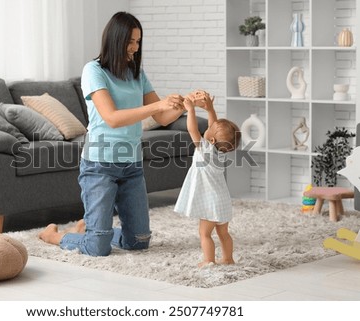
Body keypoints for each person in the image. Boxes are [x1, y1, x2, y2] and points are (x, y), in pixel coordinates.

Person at [38, 12, 185, 256]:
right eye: (131, 41)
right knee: (98, 249)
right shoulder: (94, 71)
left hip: (132, 166)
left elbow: (161, 118)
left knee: (139, 241)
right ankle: (56, 235)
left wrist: (180, 106)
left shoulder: (137, 73)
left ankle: (95, 230)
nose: (135, 48)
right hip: (99, 165)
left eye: (138, 42)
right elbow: (112, 118)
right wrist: (159, 105)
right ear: (115, 39)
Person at [174, 90, 241, 268]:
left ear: (210, 139)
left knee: (204, 234)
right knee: (223, 234)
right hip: (223, 202)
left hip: (211, 204)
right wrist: (210, 109)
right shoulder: (221, 153)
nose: (207, 128)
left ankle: (209, 260)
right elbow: (214, 126)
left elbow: (192, 129)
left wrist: (190, 109)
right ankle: (228, 258)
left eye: (208, 130)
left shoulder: (204, 149)